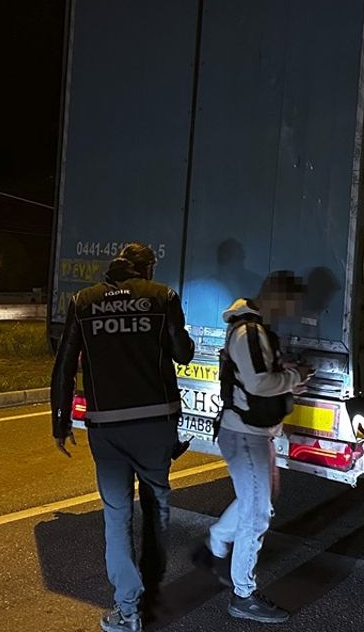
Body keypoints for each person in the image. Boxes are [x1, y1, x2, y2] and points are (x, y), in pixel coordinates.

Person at [50, 243, 195, 632]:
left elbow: (64, 365)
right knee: (156, 506)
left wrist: (60, 422)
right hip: (155, 423)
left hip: (107, 426)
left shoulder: (84, 301)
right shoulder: (162, 296)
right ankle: (154, 592)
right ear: (146, 269)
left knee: (116, 516)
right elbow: (183, 354)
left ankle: (128, 609)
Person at [193, 271, 312, 624]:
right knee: (257, 512)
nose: (290, 313)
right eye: (290, 306)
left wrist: (286, 376)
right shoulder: (249, 331)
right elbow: (259, 383)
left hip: (252, 432)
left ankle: (215, 544)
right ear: (277, 296)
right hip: (245, 433)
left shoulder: (255, 329)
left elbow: (256, 377)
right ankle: (243, 595)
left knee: (259, 500)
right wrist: (294, 377)